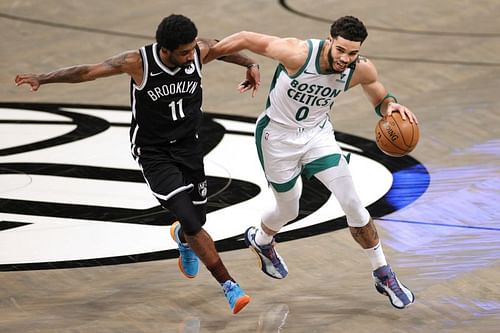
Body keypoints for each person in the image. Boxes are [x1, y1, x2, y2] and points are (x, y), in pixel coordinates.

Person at [15, 14, 261, 315]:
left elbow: (221, 47)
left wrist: (250, 64)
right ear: (165, 50)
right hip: (154, 153)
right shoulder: (138, 63)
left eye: (191, 49)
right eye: (183, 52)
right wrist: (44, 77)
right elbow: (87, 71)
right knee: (194, 222)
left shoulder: (197, 51)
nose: (190, 55)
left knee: (196, 221)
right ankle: (230, 286)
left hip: (189, 148)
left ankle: (183, 238)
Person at [208, 15, 417, 309]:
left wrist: (389, 105)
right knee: (289, 208)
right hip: (277, 138)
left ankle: (383, 273)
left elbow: (376, 91)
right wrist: (200, 60)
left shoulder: (359, 68)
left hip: (318, 136)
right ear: (329, 41)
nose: (345, 58)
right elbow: (244, 37)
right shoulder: (297, 54)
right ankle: (262, 240)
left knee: (353, 203)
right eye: (340, 50)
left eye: (352, 52)